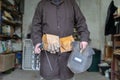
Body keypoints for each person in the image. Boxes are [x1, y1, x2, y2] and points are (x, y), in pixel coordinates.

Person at [31, 0, 90, 80]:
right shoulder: (42, 4)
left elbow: (81, 22)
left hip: (67, 52)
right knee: (48, 75)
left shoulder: (72, 3)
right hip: (48, 53)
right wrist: (37, 42)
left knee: (67, 76)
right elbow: (36, 25)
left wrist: (84, 38)